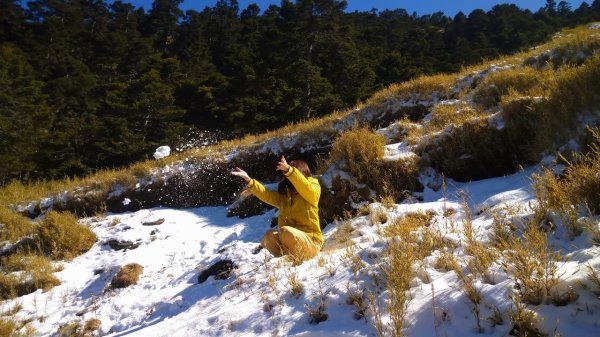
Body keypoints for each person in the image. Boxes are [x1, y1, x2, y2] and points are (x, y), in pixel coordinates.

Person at [231, 155, 322, 264]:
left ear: (301, 173)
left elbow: (306, 187)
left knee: (285, 231)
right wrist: (249, 180)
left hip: (311, 242)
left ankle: (297, 258)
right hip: (290, 242)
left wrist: (289, 170)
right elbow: (266, 194)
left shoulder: (313, 189)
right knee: (270, 236)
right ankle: (285, 260)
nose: (288, 179)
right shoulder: (285, 196)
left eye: (291, 175)